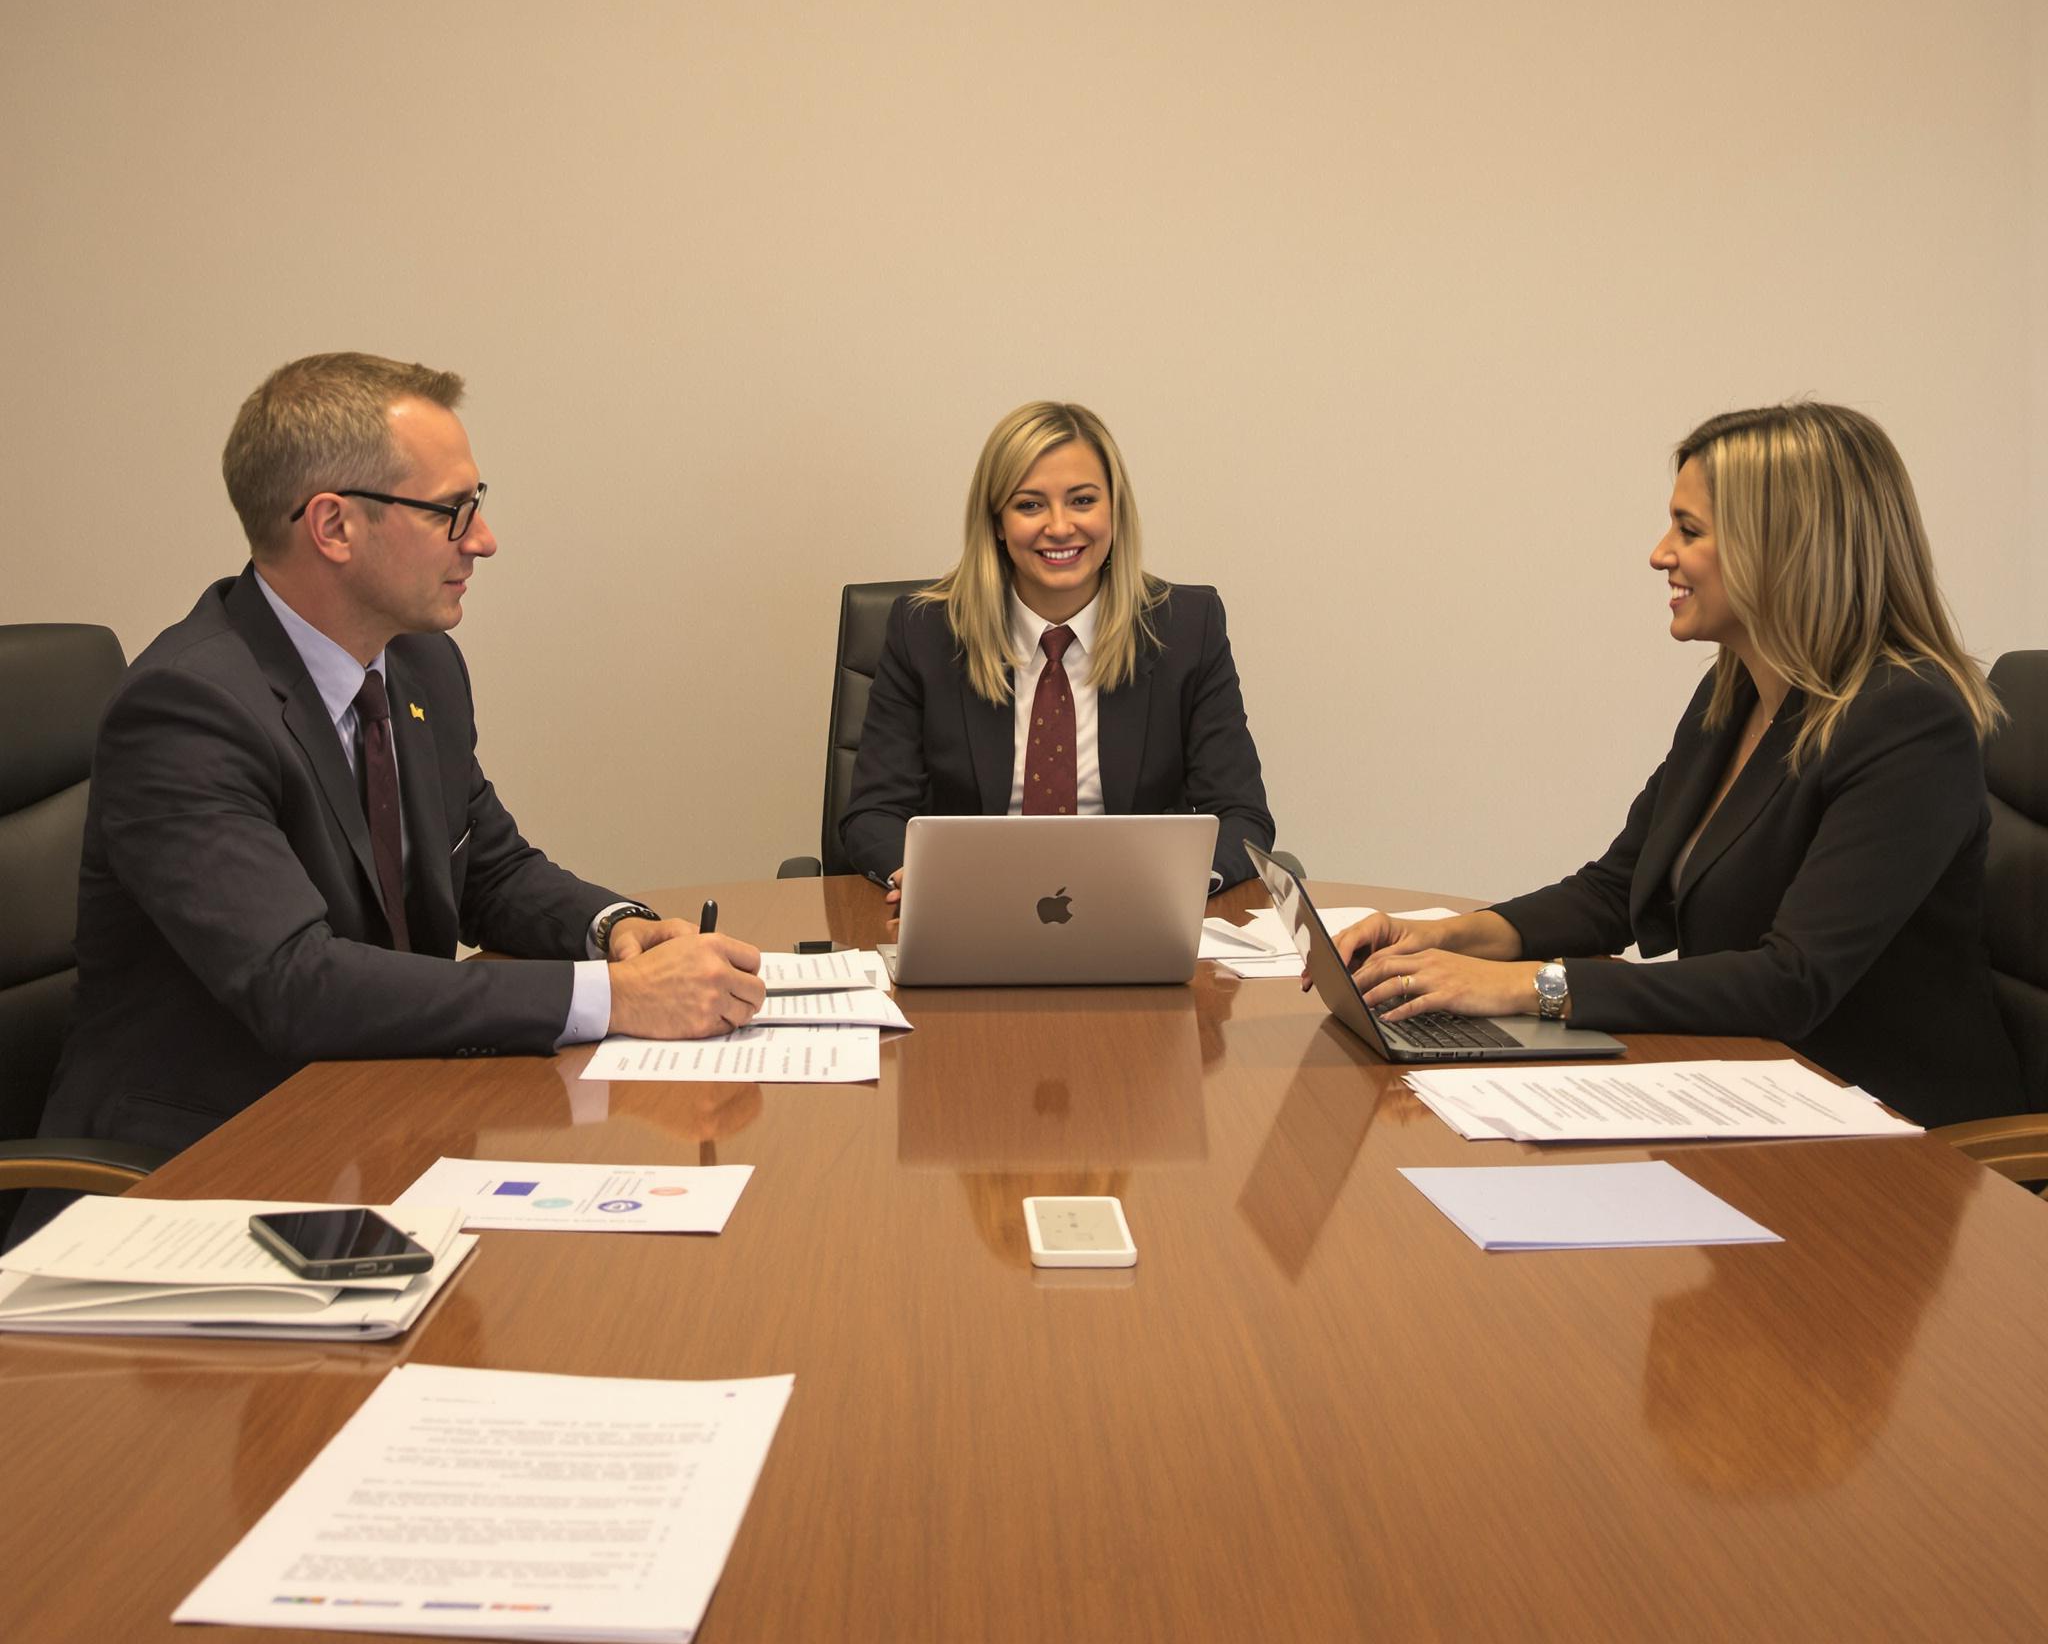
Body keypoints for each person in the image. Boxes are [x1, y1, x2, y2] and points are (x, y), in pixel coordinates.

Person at [37, 352, 766, 1161]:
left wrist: (617, 931)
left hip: (383, 1124)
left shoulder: (420, 665)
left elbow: (488, 870)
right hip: (199, 1170)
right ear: (334, 526)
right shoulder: (186, 709)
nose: (483, 540)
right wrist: (613, 998)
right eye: (451, 511)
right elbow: (294, 982)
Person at [1324, 401, 2024, 1129]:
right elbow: (1615, 890)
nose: (1660, 553)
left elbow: (1793, 982)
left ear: (1781, 547)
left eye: (1689, 531)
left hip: (1896, 1140)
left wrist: (1526, 987)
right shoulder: (1737, 690)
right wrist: (1441, 939)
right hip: (1755, 1089)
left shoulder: (1908, 717)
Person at [841, 399, 1275, 899]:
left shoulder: (1185, 629)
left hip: (1135, 912)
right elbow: (873, 812)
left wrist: (1179, 886)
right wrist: (919, 877)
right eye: (1029, 504)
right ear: (997, 523)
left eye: (1083, 500)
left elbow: (1242, 816)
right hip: (971, 907)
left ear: (1115, 509)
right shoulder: (925, 632)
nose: (1060, 526)